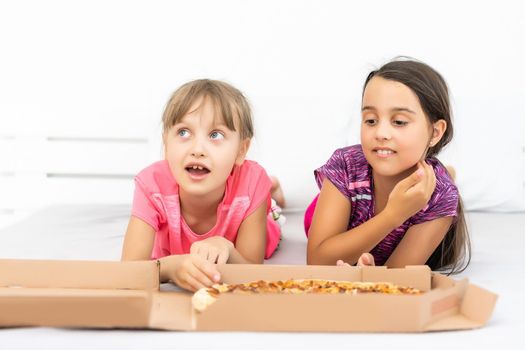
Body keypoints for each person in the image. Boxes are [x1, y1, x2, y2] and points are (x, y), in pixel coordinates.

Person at [305, 58, 470, 274]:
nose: (380, 134)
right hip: (337, 210)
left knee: (446, 183)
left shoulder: (441, 196)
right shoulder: (345, 164)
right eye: (371, 120)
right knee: (307, 216)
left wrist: (373, 273)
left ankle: (446, 172)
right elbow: (318, 261)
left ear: (435, 132)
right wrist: (393, 215)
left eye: (399, 122)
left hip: (360, 218)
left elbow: (394, 279)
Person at [121, 79, 283, 291]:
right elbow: (128, 272)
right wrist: (170, 268)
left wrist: (228, 248)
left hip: (252, 212)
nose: (197, 149)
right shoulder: (151, 186)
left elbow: (252, 271)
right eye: (183, 133)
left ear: (241, 150)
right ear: (166, 144)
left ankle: (273, 192)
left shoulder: (252, 184)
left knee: (272, 220)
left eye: (215, 135)